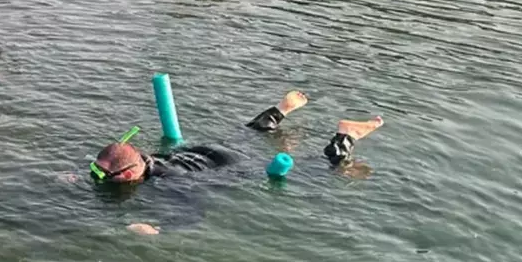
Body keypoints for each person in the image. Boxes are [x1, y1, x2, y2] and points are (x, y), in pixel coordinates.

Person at [91, 91, 385, 183]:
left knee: (312, 169)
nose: (97, 177)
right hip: (205, 150)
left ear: (129, 175)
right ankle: (277, 112)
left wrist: (158, 229)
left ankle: (345, 136)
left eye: (103, 175)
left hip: (226, 166)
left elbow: (190, 215)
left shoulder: (172, 182)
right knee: (245, 134)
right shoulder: (139, 159)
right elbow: (112, 162)